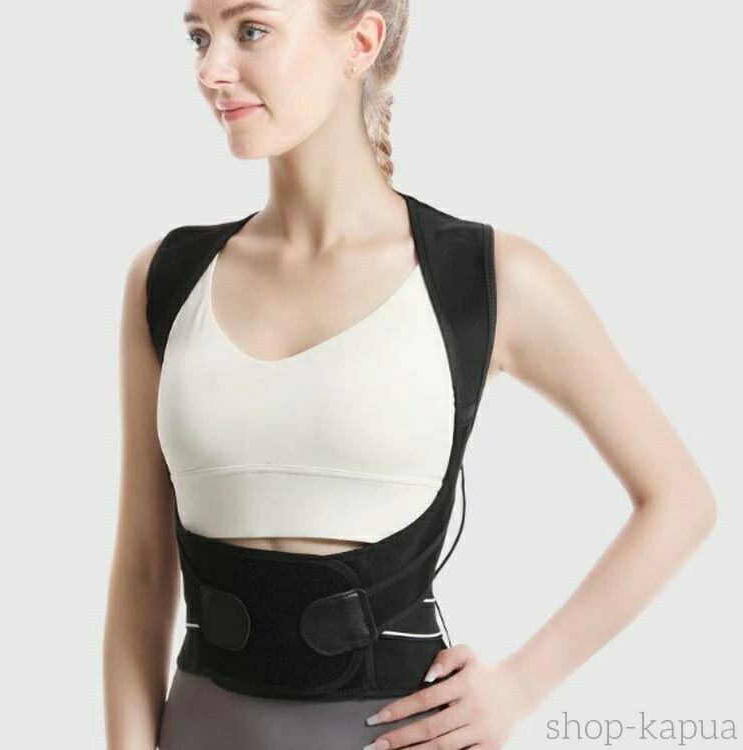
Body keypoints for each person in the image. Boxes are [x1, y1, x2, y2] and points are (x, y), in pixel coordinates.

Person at [103, 1, 717, 748]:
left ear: (361, 42)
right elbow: (144, 571)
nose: (211, 69)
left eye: (250, 30)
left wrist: (522, 684)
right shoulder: (167, 278)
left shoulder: (486, 277)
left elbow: (680, 501)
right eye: (200, 37)